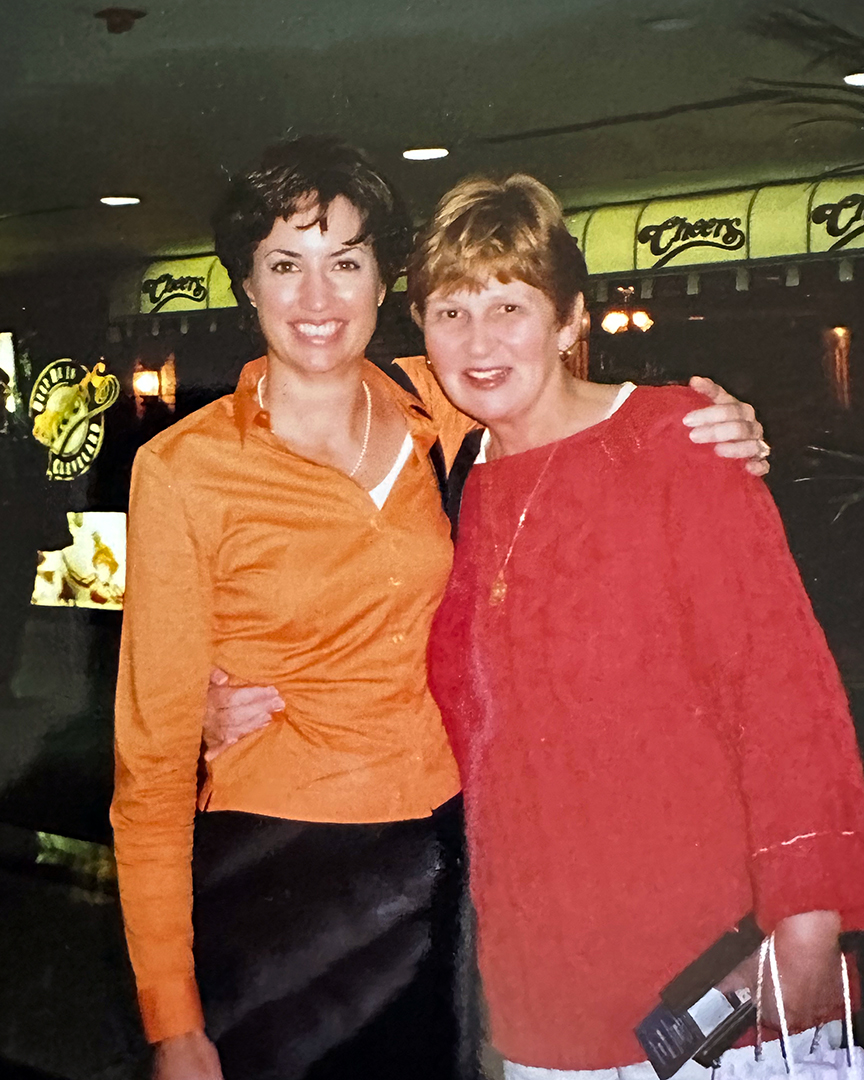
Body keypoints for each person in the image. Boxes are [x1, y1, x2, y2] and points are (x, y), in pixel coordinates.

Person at [111, 137, 768, 1080]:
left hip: (448, 850)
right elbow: (151, 764)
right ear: (245, 286)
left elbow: (577, 413)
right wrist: (172, 1022)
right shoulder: (183, 470)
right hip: (282, 872)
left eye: (345, 261)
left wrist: (716, 431)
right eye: (284, 266)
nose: (317, 297)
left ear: (385, 281)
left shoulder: (444, 405)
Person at [407, 174, 864, 1080]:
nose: (480, 340)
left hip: (707, 975)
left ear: (572, 319)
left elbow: (782, 690)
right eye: (451, 311)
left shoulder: (675, 442)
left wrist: (809, 919)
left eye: (510, 305)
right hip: (534, 989)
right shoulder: (444, 475)